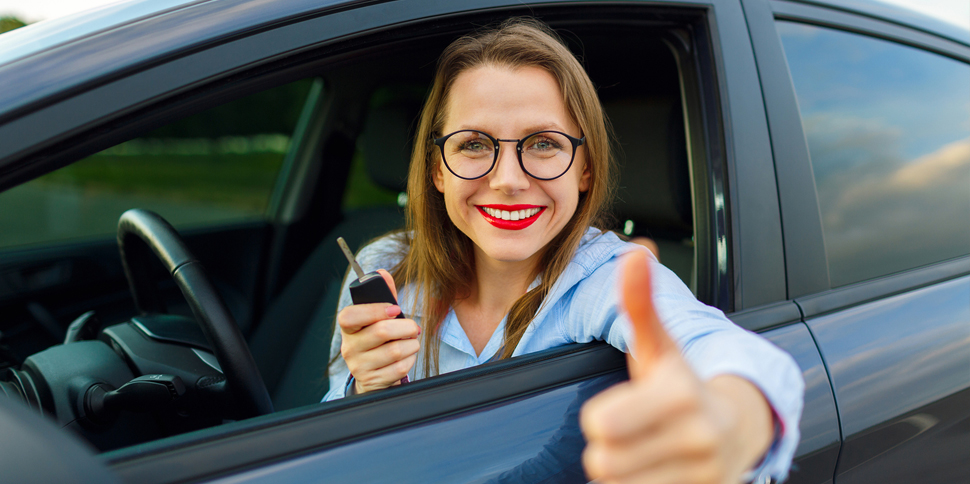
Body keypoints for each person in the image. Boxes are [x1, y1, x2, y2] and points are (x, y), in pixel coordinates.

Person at [324, 18, 803, 483]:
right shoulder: (382, 268)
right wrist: (364, 390)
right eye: (473, 144)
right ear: (439, 171)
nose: (508, 180)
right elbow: (323, 450)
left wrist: (734, 419)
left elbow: (718, 347)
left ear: (585, 170)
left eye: (542, 143)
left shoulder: (606, 276)